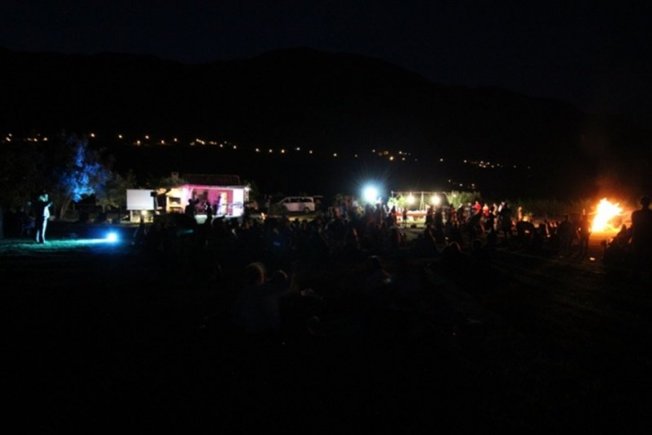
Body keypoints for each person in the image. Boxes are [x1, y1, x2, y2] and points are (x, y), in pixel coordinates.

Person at [631, 196, 652, 279]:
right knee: (648, 256)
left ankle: (636, 275)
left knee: (637, 256)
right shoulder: (650, 214)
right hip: (648, 238)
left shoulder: (636, 214)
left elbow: (634, 225)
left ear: (641, 203)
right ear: (649, 203)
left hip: (638, 237)